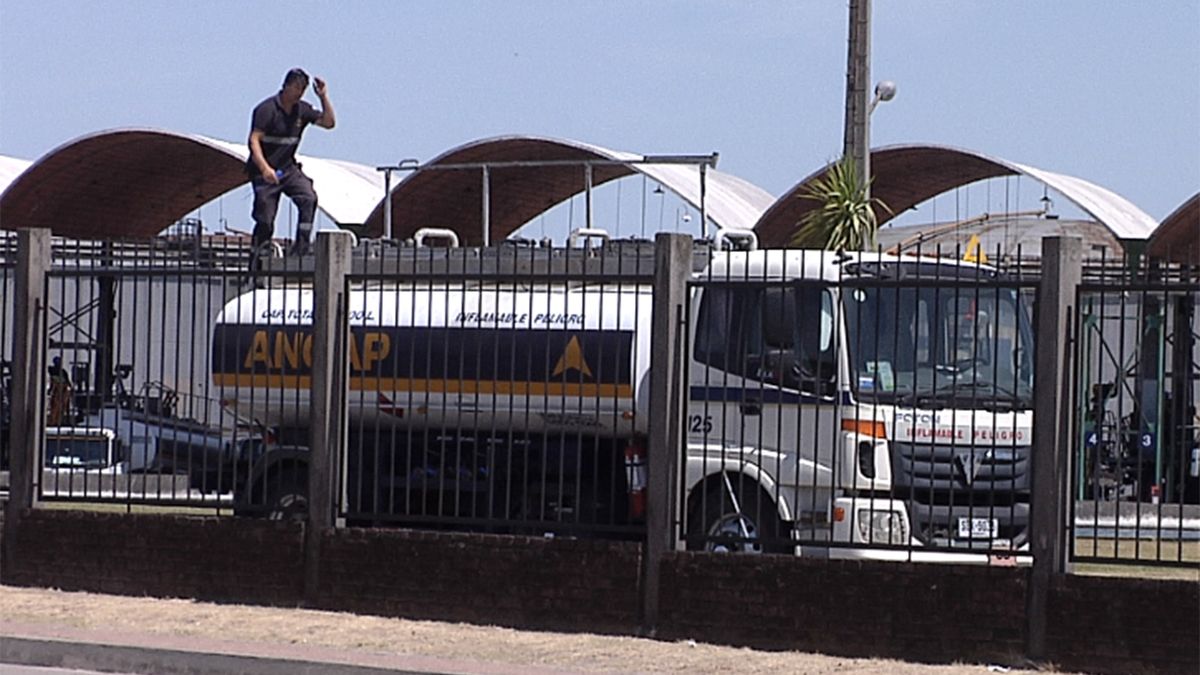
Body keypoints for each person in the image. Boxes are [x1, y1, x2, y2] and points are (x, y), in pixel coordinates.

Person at [247, 68, 336, 261]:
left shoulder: (302, 110)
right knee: (266, 220)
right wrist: (264, 169)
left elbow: (329, 123)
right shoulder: (266, 110)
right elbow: (254, 141)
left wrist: (323, 97)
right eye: (297, 88)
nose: (299, 93)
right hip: (265, 171)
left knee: (308, 198)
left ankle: (300, 252)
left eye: (303, 89)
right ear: (286, 86)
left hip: (288, 169)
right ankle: (257, 260)